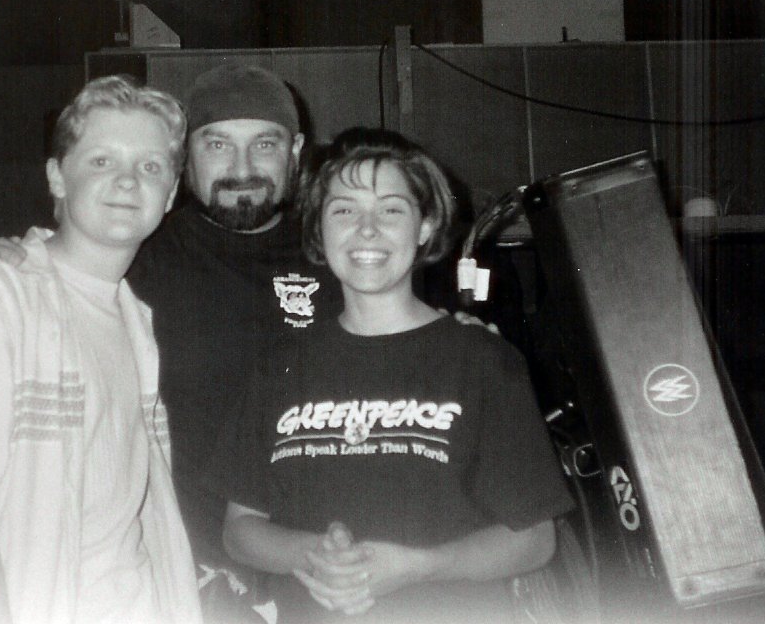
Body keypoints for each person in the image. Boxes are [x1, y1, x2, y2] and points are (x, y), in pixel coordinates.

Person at [212, 128, 575, 624]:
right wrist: (317, 554)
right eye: (343, 210)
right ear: (319, 231)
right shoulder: (279, 364)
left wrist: (421, 566)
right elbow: (240, 530)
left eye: (390, 210)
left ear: (424, 226)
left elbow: (534, 540)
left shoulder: (481, 358)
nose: (367, 230)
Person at [0, 76, 202, 624]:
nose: (129, 182)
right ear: (57, 176)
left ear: (173, 191)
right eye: (102, 162)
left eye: (151, 167)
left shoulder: (137, 321)